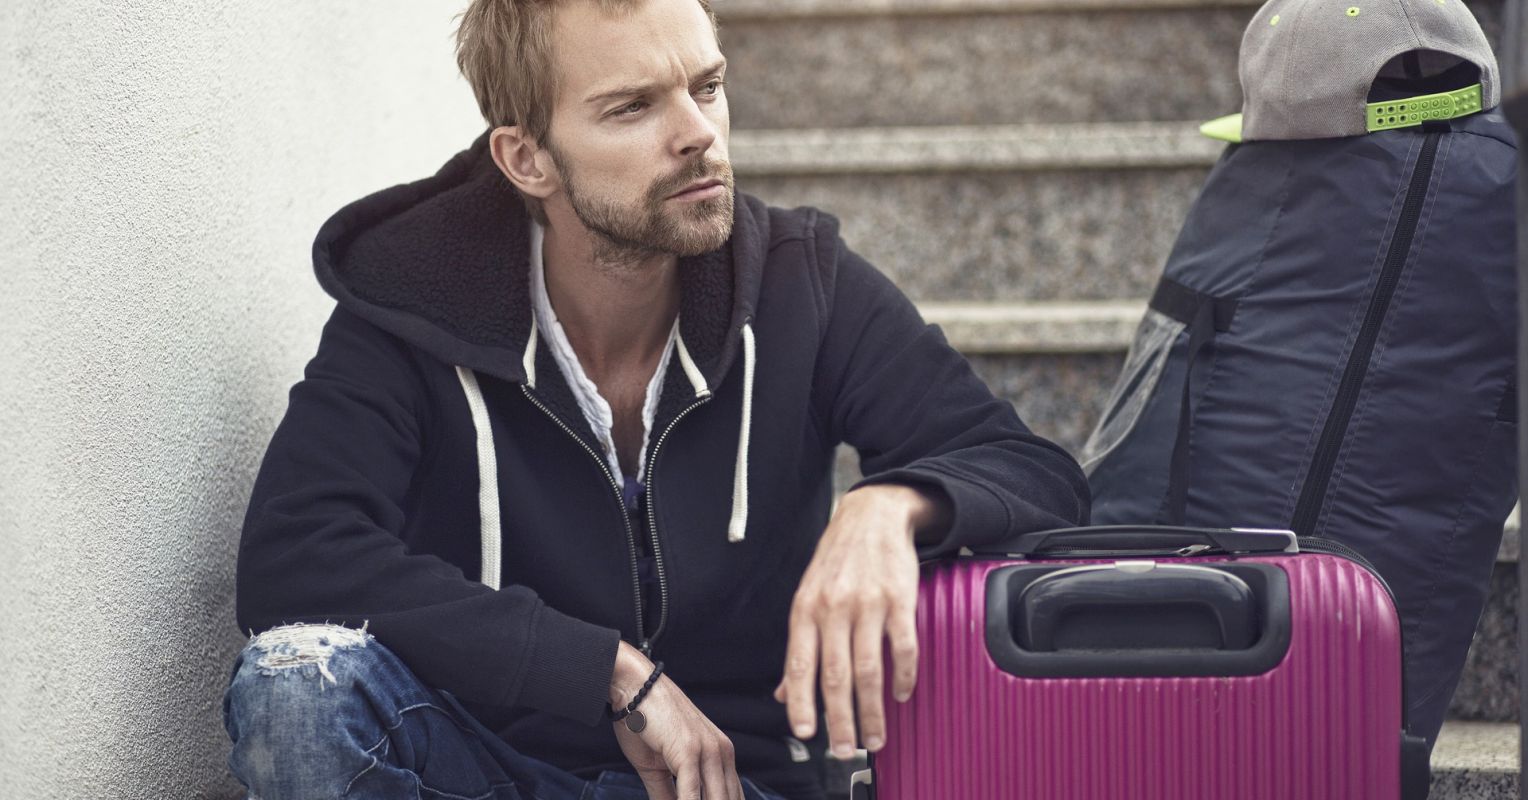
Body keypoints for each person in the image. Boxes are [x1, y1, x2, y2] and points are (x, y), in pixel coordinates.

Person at [222, 0, 1089, 797]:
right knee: (296, 685)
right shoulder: (412, 303)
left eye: (706, 87)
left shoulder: (800, 285)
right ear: (526, 158)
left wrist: (890, 505)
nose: (697, 134)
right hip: (492, 769)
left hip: (737, 785)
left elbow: (1032, 471)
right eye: (631, 107)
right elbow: (295, 555)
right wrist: (606, 671)